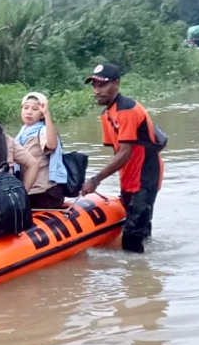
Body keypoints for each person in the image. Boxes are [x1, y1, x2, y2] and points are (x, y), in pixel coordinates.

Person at [81, 63, 163, 253]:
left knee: (131, 238)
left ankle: (138, 278)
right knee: (141, 229)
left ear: (116, 84)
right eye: (94, 85)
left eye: (102, 85)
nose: (97, 91)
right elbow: (117, 153)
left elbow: (125, 153)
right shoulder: (107, 114)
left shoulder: (127, 110)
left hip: (145, 177)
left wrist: (95, 179)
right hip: (128, 178)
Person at [15, 92, 67, 209]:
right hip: (29, 191)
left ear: (41, 114)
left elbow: (52, 145)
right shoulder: (21, 134)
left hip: (44, 192)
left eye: (35, 109)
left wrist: (47, 114)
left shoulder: (43, 131)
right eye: (26, 108)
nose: (29, 112)